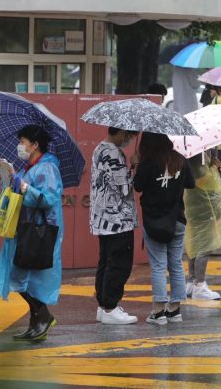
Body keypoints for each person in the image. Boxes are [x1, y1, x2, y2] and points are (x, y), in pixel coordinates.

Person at [0, 125, 63, 341]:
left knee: (27, 277)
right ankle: (37, 322)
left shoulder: (48, 168)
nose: (19, 145)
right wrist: (7, 177)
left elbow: (48, 199)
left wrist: (21, 186)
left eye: (23, 141)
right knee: (21, 276)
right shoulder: (28, 168)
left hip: (38, 230)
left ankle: (43, 317)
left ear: (35, 144)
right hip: (23, 229)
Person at [133, 132, 195, 325]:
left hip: (155, 222)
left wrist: (136, 165)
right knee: (175, 263)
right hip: (177, 220)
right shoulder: (180, 159)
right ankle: (175, 309)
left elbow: (137, 186)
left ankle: (159, 311)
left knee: (159, 265)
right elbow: (190, 184)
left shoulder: (148, 162)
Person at [89, 127, 140, 325]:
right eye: (129, 135)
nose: (129, 139)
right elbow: (125, 187)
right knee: (119, 264)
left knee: (106, 262)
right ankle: (110, 306)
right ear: (120, 132)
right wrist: (134, 166)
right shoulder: (114, 154)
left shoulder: (99, 149)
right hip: (118, 219)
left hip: (103, 219)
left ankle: (103, 306)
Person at [184, 153, 221, 300]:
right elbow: (202, 178)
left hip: (193, 203)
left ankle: (191, 281)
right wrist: (215, 167)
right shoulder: (197, 155)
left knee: (195, 243)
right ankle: (199, 285)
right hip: (202, 205)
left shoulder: (190, 152)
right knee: (205, 246)